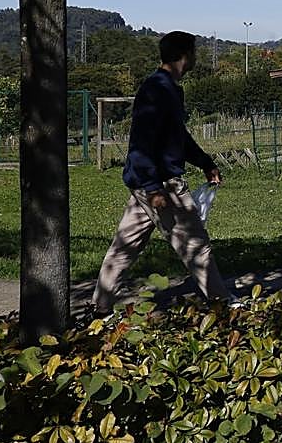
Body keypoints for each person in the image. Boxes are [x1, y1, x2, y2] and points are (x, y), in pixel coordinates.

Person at [91, 30, 235, 314]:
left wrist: (205, 162)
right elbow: (143, 141)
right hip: (161, 184)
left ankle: (99, 307)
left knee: (125, 247)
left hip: (145, 182)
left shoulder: (167, 88)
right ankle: (222, 306)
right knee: (196, 245)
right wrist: (154, 188)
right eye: (194, 52)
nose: (196, 57)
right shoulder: (158, 89)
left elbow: (177, 136)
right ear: (185, 55)